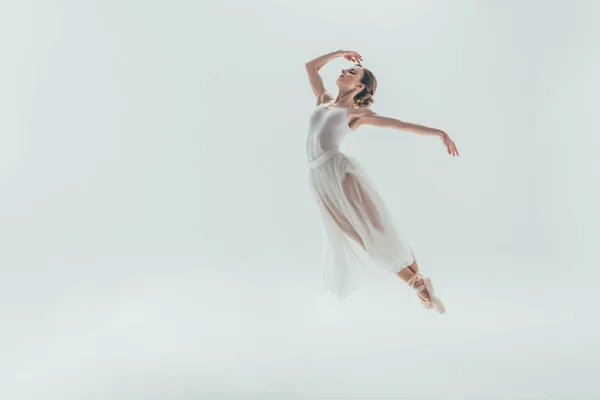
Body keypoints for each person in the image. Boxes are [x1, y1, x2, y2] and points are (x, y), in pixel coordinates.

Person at [305, 49, 459, 314]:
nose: (344, 71)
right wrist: (341, 53)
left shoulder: (356, 114)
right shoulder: (324, 100)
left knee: (375, 230)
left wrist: (440, 133)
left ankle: (420, 286)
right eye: (346, 69)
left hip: (339, 175)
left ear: (360, 86)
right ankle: (421, 285)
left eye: (351, 72)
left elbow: (399, 125)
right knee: (359, 238)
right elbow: (311, 67)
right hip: (318, 178)